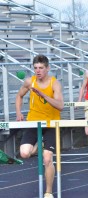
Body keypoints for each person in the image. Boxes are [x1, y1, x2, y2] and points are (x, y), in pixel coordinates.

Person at [15, 55, 64, 198]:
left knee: (47, 158)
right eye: (35, 68)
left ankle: (48, 192)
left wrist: (43, 95)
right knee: (24, 153)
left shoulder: (55, 84)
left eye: (41, 68)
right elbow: (19, 96)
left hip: (51, 124)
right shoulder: (30, 82)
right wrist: (19, 113)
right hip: (34, 122)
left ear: (47, 68)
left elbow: (60, 106)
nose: (38, 71)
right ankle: (39, 144)